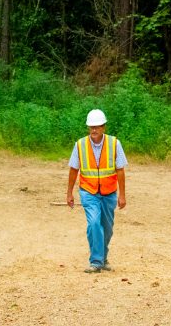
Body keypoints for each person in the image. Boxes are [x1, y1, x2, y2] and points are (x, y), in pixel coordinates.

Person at [66, 108, 127, 273]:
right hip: (88, 191)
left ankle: (103, 257)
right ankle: (96, 261)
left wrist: (122, 195)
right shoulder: (80, 145)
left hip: (109, 192)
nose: (94, 130)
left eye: (98, 126)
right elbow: (73, 170)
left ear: (104, 127)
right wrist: (69, 193)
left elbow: (120, 170)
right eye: (91, 127)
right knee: (94, 223)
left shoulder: (115, 143)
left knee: (107, 228)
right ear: (88, 128)